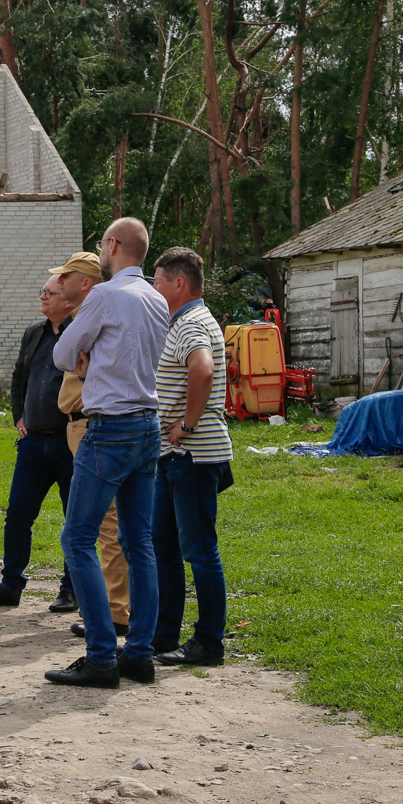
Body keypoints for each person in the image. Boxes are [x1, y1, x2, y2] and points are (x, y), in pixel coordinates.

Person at [47, 218, 168, 688]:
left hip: (109, 426)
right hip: (148, 425)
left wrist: (86, 355)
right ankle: (138, 653)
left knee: (77, 540)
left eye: (102, 243)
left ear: (113, 245)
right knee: (140, 543)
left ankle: (100, 655)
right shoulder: (157, 298)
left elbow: (63, 354)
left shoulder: (103, 295)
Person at [0, 273, 78, 610]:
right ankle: (10, 585)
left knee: (74, 518)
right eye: (43, 291)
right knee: (18, 513)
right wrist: (19, 414)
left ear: (69, 300)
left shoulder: (82, 332)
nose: (43, 297)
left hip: (71, 443)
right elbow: (20, 374)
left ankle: (70, 590)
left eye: (50, 292)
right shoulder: (34, 333)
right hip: (34, 442)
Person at [150, 246, 234, 666]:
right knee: (162, 544)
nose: (153, 287)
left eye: (158, 281)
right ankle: (164, 634)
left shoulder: (192, 323)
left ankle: (209, 643)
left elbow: (202, 369)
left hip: (192, 454)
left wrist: (187, 423)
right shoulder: (182, 321)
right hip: (174, 455)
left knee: (198, 549)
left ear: (178, 284)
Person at [51, 251, 132, 638]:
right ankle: (115, 608)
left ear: (86, 282)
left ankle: (116, 613)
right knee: (108, 524)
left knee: (105, 524)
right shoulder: (89, 315)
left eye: (65, 276)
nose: (58, 283)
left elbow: (65, 359)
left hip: (94, 425)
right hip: (81, 425)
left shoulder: (97, 314)